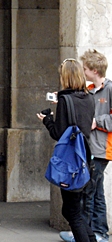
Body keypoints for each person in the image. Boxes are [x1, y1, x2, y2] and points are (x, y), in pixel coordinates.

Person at [37, 58, 96, 242]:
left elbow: (58, 134)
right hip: (85, 157)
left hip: (70, 162)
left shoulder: (65, 100)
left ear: (66, 77)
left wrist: (46, 120)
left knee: (72, 212)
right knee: (74, 210)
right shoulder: (89, 97)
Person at [60, 50, 111, 242]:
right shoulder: (88, 91)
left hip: (102, 148)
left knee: (88, 194)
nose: (82, 71)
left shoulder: (109, 89)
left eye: (85, 69)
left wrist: (97, 121)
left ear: (95, 71)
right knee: (95, 192)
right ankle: (97, 233)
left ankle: (88, 233)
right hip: (90, 147)